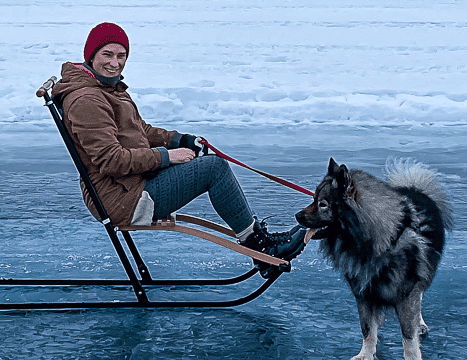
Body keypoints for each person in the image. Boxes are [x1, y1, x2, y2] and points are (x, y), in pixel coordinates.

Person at [52, 22, 308, 260]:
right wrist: (167, 156)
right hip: (122, 197)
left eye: (121, 56)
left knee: (209, 164)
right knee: (213, 168)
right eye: (107, 55)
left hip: (131, 184)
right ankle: (260, 247)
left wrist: (180, 140)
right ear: (91, 56)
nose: (115, 63)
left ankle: (257, 238)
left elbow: (142, 131)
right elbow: (111, 160)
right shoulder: (88, 100)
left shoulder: (107, 89)